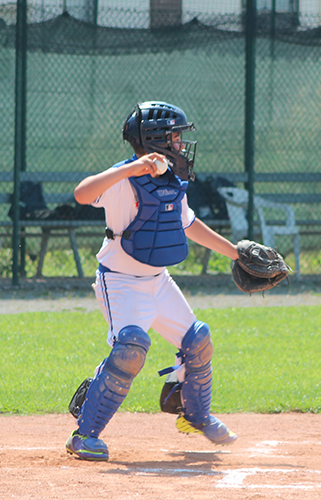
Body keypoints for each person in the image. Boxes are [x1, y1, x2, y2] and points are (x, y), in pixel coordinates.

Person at [66, 101, 240, 461]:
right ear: (155, 139)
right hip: (120, 282)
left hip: (158, 281)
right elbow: (82, 193)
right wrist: (131, 168)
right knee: (131, 348)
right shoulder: (121, 178)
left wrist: (235, 253)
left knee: (198, 340)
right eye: (175, 137)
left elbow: (187, 224)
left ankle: (196, 416)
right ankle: (84, 435)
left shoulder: (173, 180)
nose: (180, 144)